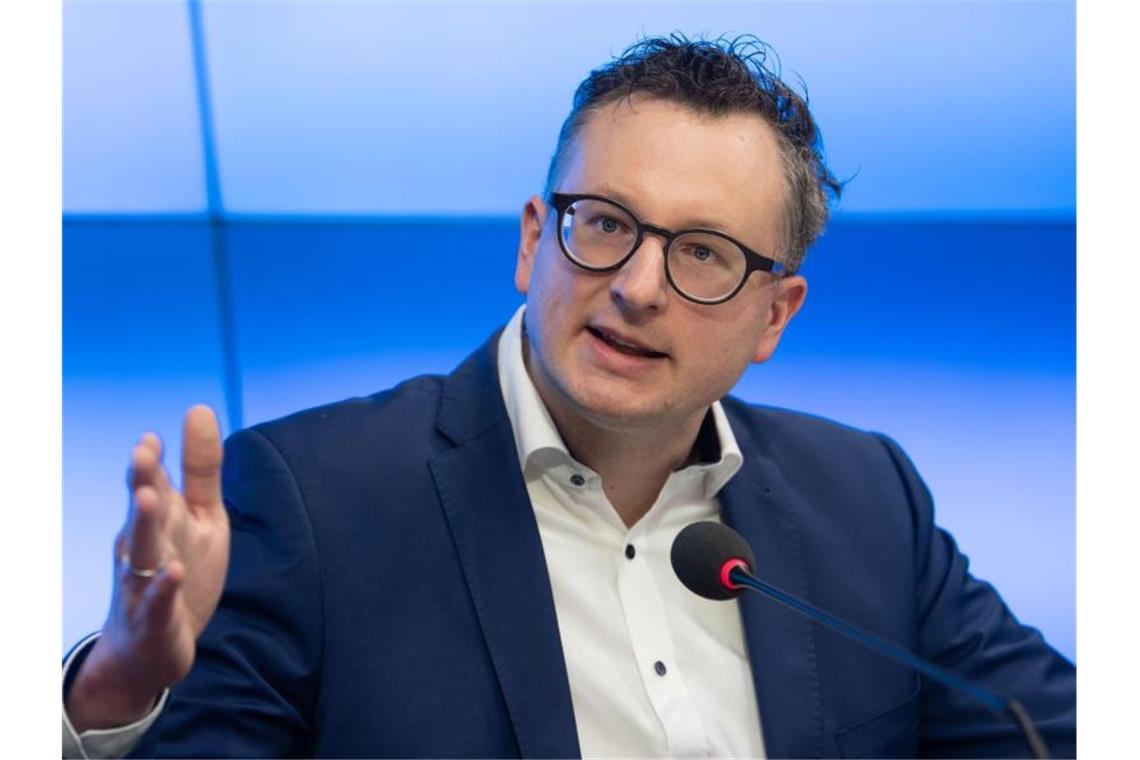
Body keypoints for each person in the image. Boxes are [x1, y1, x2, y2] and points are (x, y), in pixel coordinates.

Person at [62, 34, 1076, 758]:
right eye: (605, 225)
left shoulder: (866, 497)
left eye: (704, 254)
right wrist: (119, 686)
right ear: (534, 239)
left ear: (776, 316)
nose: (636, 285)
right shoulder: (315, 499)